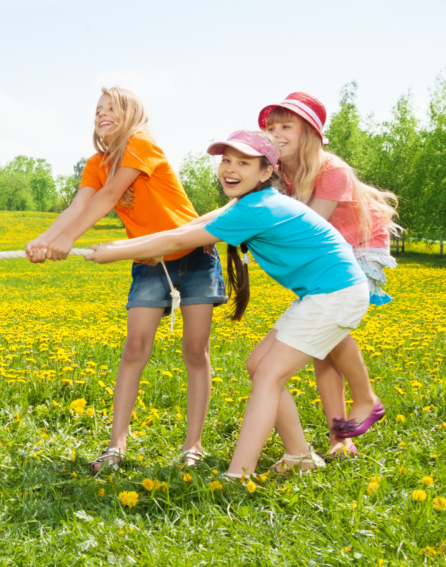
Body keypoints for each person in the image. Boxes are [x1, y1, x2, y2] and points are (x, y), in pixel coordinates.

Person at [85, 130, 374, 478]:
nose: (230, 168)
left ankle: (238, 474)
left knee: (268, 373)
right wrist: (119, 248)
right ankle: (300, 455)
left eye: (243, 162)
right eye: (226, 161)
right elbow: (190, 227)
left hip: (336, 294)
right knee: (258, 366)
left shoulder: (258, 208)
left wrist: (115, 253)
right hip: (323, 293)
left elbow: (180, 238)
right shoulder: (250, 204)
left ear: (266, 172)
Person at [25, 87, 226, 471]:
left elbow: (111, 195)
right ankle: (116, 445)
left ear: (132, 113)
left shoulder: (141, 143)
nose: (102, 114)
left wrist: (68, 239)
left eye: (112, 108)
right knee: (134, 349)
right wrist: (45, 239)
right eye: (98, 109)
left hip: (195, 256)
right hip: (149, 261)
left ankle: (193, 444)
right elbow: (80, 204)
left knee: (195, 351)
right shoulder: (96, 162)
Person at [260, 93, 395, 456]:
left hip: (359, 247)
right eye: (271, 127)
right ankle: (341, 439)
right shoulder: (280, 173)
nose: (276, 133)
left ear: (310, 135)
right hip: (327, 255)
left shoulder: (331, 169)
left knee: (329, 325)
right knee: (322, 349)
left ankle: (366, 397)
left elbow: (311, 226)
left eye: (287, 126)